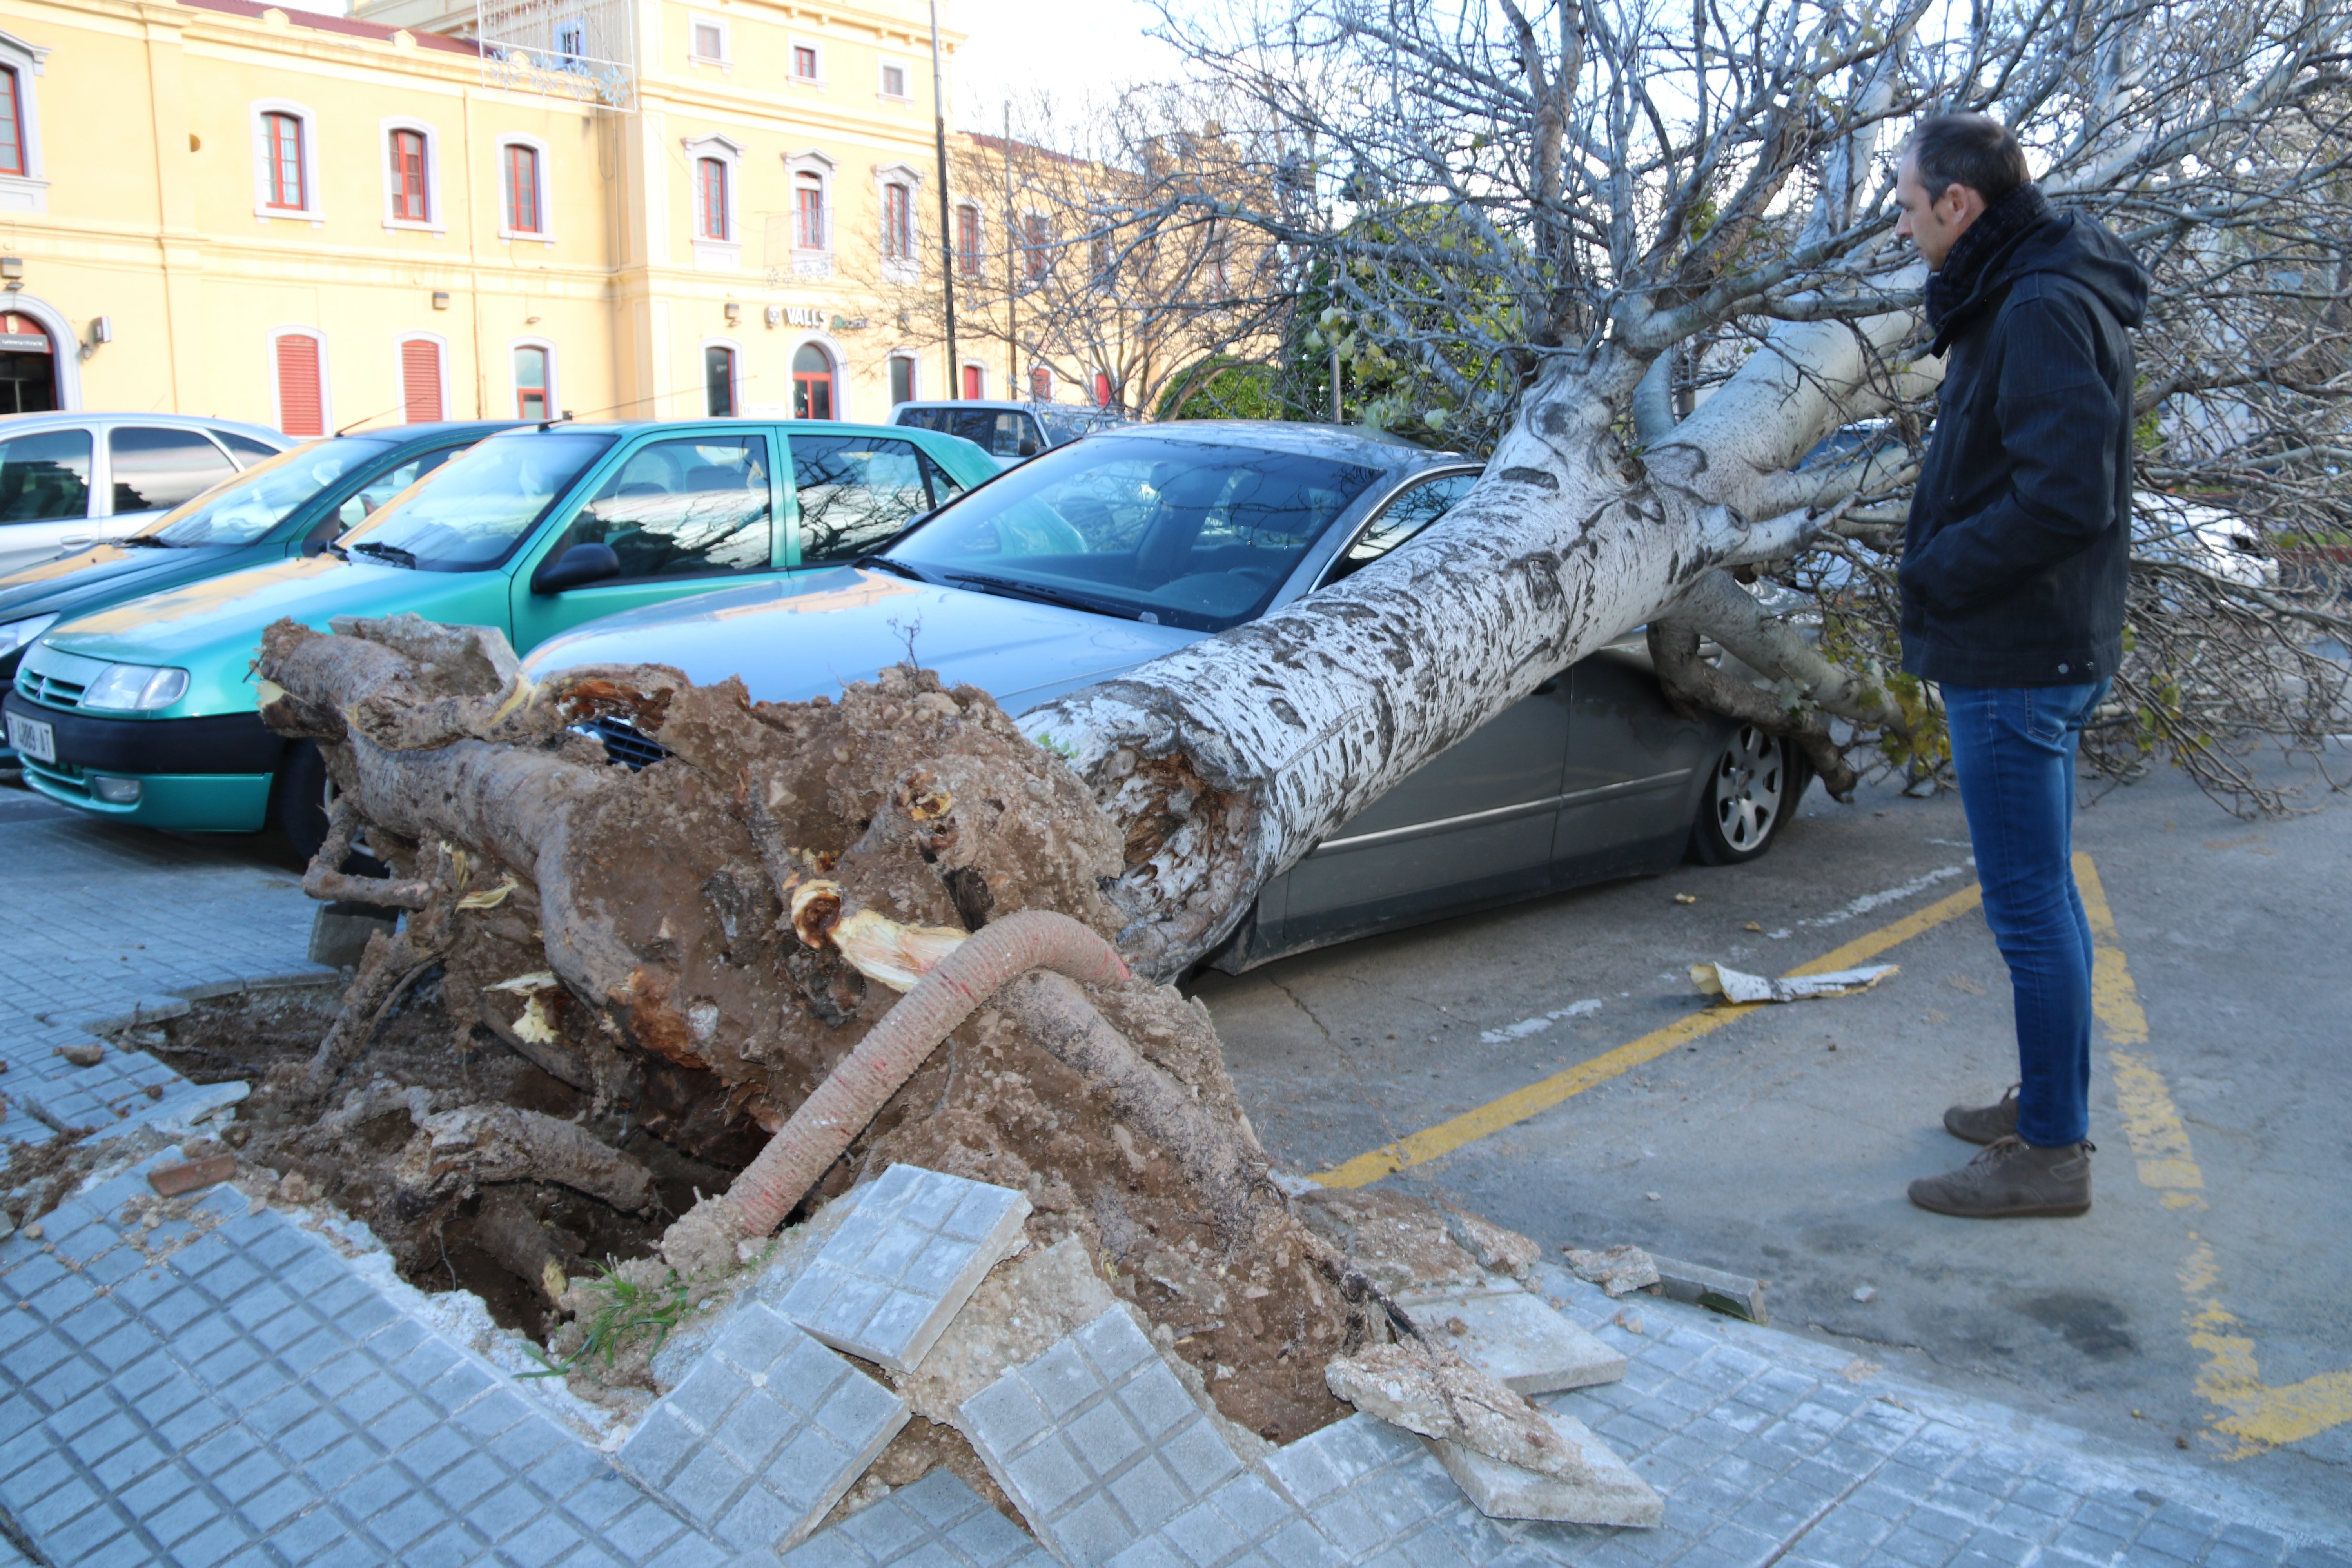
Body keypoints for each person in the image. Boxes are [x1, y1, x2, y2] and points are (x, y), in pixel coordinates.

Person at [1890, 113, 2149, 1219]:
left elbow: (2066, 495)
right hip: (2035, 640)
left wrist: (1940, 569)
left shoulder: (2038, 302)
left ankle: (2050, 1152)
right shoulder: (2029, 282)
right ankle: (2047, 1104)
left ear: (1961, 205)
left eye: (1907, 205)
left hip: (2018, 652)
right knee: (2045, 906)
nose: (1902, 224)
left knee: (2032, 910)